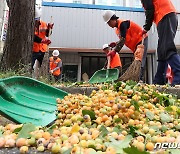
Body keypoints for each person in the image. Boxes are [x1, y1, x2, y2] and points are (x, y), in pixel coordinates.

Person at [140, 0, 180, 85]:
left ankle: (178, 74)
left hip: (165, 15)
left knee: (167, 47)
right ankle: (159, 80)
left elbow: (150, 9)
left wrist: (146, 27)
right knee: (162, 50)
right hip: (167, 16)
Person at [102, 10, 148, 82]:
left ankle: (140, 80)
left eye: (109, 22)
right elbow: (123, 39)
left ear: (113, 19)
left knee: (140, 60)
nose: (109, 25)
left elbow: (123, 40)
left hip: (141, 40)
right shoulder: (117, 30)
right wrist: (116, 43)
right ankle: (136, 79)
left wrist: (115, 51)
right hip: (134, 45)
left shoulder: (123, 24)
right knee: (136, 60)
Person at [32, 7, 53, 79]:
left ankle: (44, 79)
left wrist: (49, 29)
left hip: (42, 49)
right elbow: (32, 36)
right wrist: (42, 40)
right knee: (30, 65)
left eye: (37, 20)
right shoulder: (30, 25)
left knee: (44, 68)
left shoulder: (43, 24)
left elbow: (47, 34)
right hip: (34, 49)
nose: (36, 22)